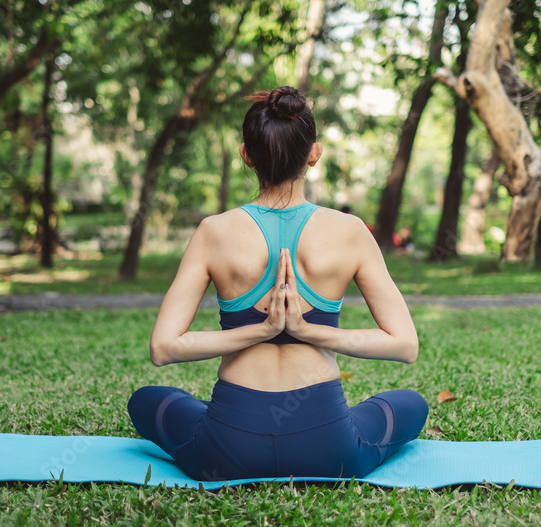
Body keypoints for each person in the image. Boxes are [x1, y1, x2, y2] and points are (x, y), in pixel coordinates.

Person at [127, 86, 428, 481]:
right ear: (314, 153)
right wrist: (308, 331)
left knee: (146, 400)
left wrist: (259, 330)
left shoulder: (213, 232)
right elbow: (405, 346)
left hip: (226, 449)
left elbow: (164, 349)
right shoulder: (350, 231)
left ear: (246, 155)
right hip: (330, 450)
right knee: (412, 404)